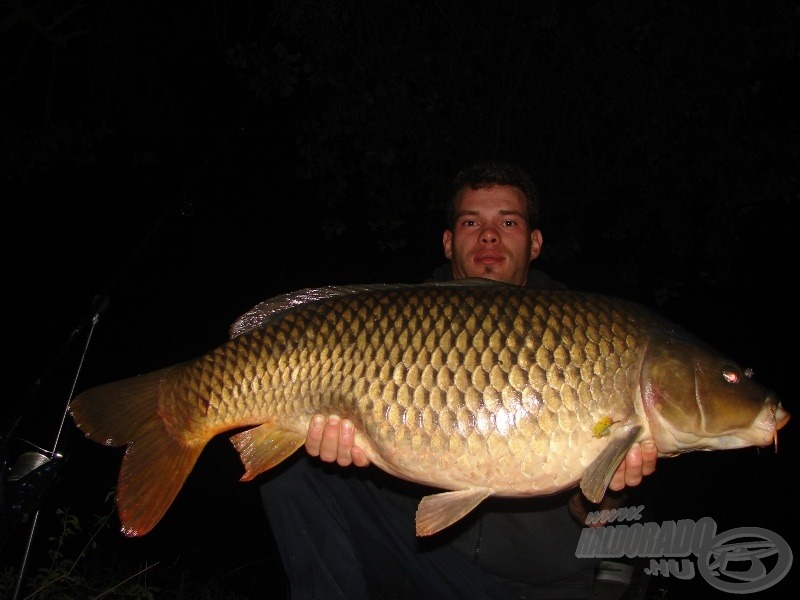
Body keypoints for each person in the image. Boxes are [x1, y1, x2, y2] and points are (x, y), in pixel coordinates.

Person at [261, 162, 658, 599]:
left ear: (535, 242)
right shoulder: (398, 319)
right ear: (449, 243)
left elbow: (594, 520)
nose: (489, 236)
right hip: (418, 559)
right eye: (472, 222)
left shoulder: (592, 338)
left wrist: (609, 493)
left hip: (532, 587)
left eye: (508, 222)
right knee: (292, 466)